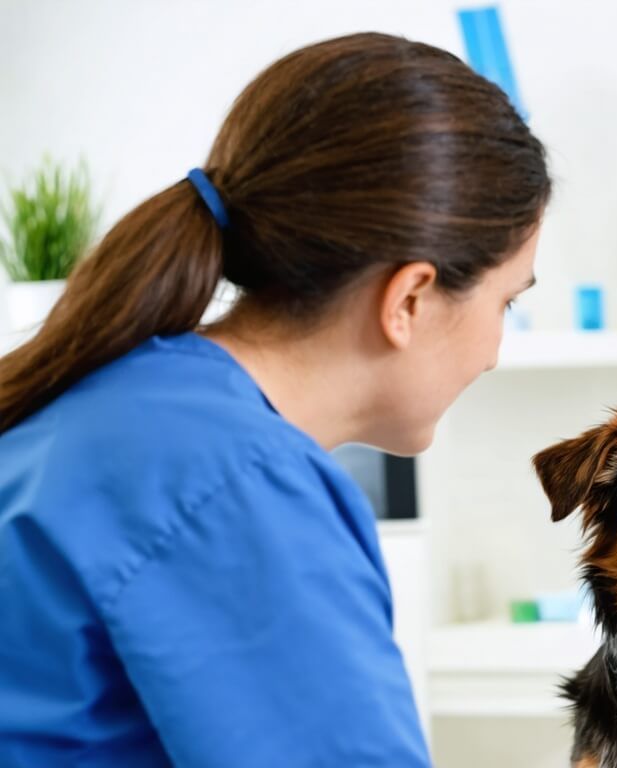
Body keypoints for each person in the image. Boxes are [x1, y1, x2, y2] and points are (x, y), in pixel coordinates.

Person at [0, 32, 549, 766]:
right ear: (411, 298)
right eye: (507, 301)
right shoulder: (240, 487)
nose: (492, 350)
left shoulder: (122, 406)